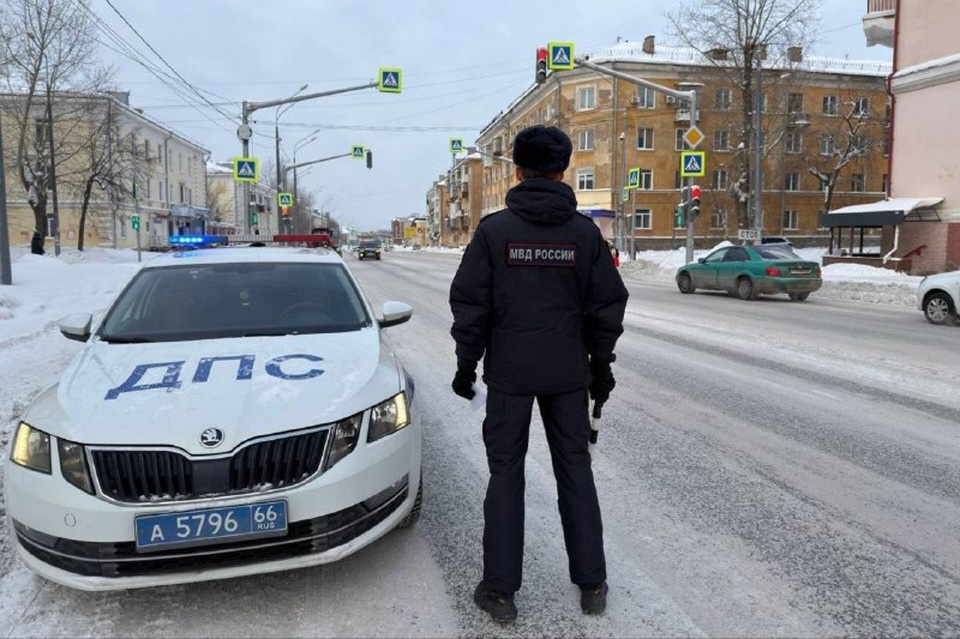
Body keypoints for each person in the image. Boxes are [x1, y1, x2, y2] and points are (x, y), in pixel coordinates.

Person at [449, 124, 628, 623]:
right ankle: (592, 583)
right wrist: (600, 365)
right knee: (575, 471)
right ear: (563, 169)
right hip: (568, 376)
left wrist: (467, 364)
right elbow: (606, 305)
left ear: (519, 169)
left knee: (506, 475)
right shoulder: (584, 234)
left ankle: (500, 592)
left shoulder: (495, 231)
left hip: (509, 376)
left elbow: (471, 304)